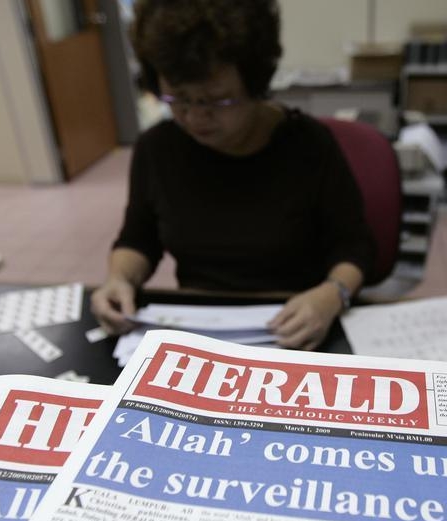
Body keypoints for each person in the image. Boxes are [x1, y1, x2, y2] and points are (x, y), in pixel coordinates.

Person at [91, 0, 375, 351]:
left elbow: (355, 247)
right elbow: (138, 240)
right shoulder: (157, 149)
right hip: (201, 327)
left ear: (255, 85)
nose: (196, 117)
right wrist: (118, 279)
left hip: (296, 322)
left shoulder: (309, 145)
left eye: (218, 101)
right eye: (178, 99)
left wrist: (333, 295)